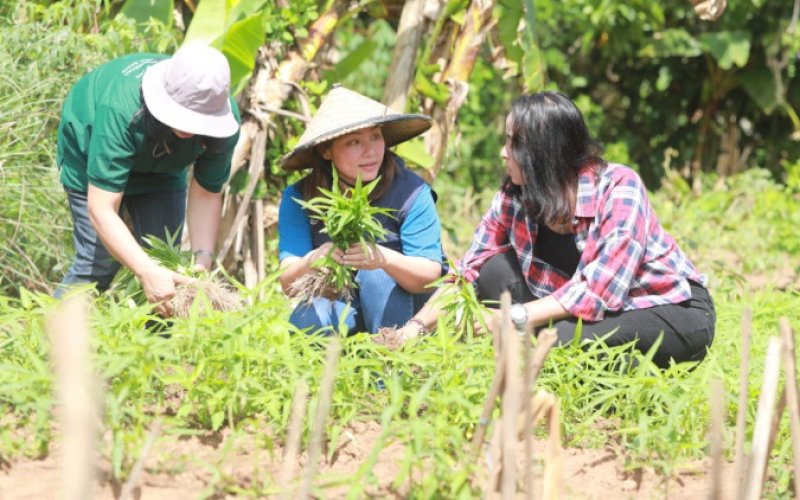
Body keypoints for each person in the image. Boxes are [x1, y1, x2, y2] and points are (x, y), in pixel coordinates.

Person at [398, 91, 715, 368]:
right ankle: (580, 365)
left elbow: (598, 294)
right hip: (585, 311)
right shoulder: (514, 196)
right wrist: (415, 327)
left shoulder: (619, 188)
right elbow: (467, 272)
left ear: (544, 152)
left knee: (557, 340)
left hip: (667, 308)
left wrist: (512, 317)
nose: (503, 152)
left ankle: (636, 381)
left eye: (513, 143)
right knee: (492, 270)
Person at [53, 43, 241, 316]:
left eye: (199, 121)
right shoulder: (120, 108)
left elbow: (207, 193)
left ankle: (153, 354)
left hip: (161, 167)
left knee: (166, 262)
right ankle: (50, 344)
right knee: (98, 264)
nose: (190, 128)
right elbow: (101, 208)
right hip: (90, 150)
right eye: (185, 118)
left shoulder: (225, 122)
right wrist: (144, 271)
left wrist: (201, 261)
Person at [277, 85, 445, 335]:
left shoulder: (411, 193)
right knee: (306, 319)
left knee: (375, 276)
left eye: (376, 137)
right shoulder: (301, 197)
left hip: (409, 311)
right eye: (354, 142)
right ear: (326, 150)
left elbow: (431, 275)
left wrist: (383, 259)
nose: (371, 152)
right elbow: (289, 283)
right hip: (345, 304)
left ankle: (391, 366)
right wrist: (314, 259)